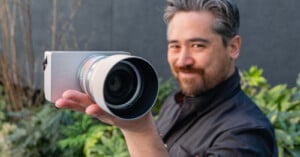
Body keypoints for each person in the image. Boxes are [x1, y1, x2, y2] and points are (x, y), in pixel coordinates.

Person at [55, 0, 278, 156]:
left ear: (233, 47)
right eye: (175, 46)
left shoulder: (246, 135)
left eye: (197, 45)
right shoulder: (175, 102)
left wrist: (139, 128)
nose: (183, 59)